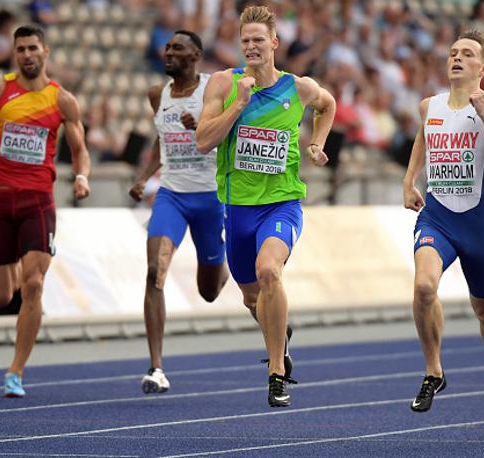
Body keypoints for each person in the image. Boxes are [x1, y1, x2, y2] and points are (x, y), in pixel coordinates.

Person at [196, 5, 335, 408]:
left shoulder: (299, 87)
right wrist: (238, 104)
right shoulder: (224, 84)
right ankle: (280, 337)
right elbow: (204, 141)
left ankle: (276, 372)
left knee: (269, 270)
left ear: (274, 43)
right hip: (238, 208)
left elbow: (328, 105)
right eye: (245, 41)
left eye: (259, 39)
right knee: (252, 298)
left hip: (282, 204)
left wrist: (316, 143)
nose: (252, 46)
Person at [0, 24, 91, 398]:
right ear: (15, 54)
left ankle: (16, 371)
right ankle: (18, 258)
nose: (27, 55)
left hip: (38, 202)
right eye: (20, 49)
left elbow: (80, 147)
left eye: (32, 47)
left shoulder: (62, 100)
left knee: (34, 285)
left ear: (46, 51)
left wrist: (81, 176)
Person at [403, 30, 484, 422]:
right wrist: (409, 180)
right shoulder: (429, 105)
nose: (456, 58)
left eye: (467, 54)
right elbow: (425, 136)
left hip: (478, 224)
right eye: (453, 52)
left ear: (483, 67)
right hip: (437, 216)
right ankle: (434, 372)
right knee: (422, 287)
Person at [128, 30, 229, 394]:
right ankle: (156, 367)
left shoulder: (214, 89)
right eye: (167, 47)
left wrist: (201, 125)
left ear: (196, 55)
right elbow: (161, 137)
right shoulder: (158, 94)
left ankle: (225, 268)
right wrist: (144, 178)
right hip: (171, 194)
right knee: (155, 269)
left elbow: (228, 132)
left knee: (209, 292)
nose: (168, 52)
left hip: (210, 197)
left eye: (177, 48)